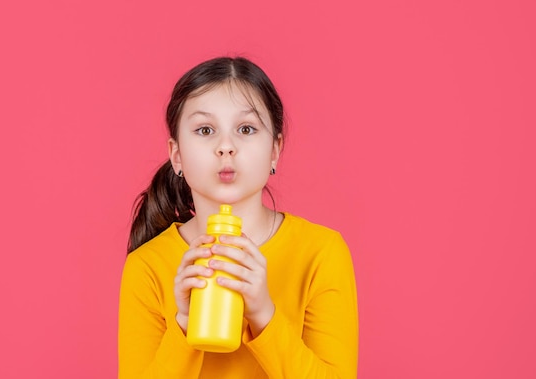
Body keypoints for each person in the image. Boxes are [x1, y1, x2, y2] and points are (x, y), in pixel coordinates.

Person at [118, 56, 358, 378]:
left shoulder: (321, 253)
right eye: (205, 130)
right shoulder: (147, 267)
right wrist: (183, 323)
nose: (226, 147)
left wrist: (265, 315)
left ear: (275, 150)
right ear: (177, 155)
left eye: (246, 128)